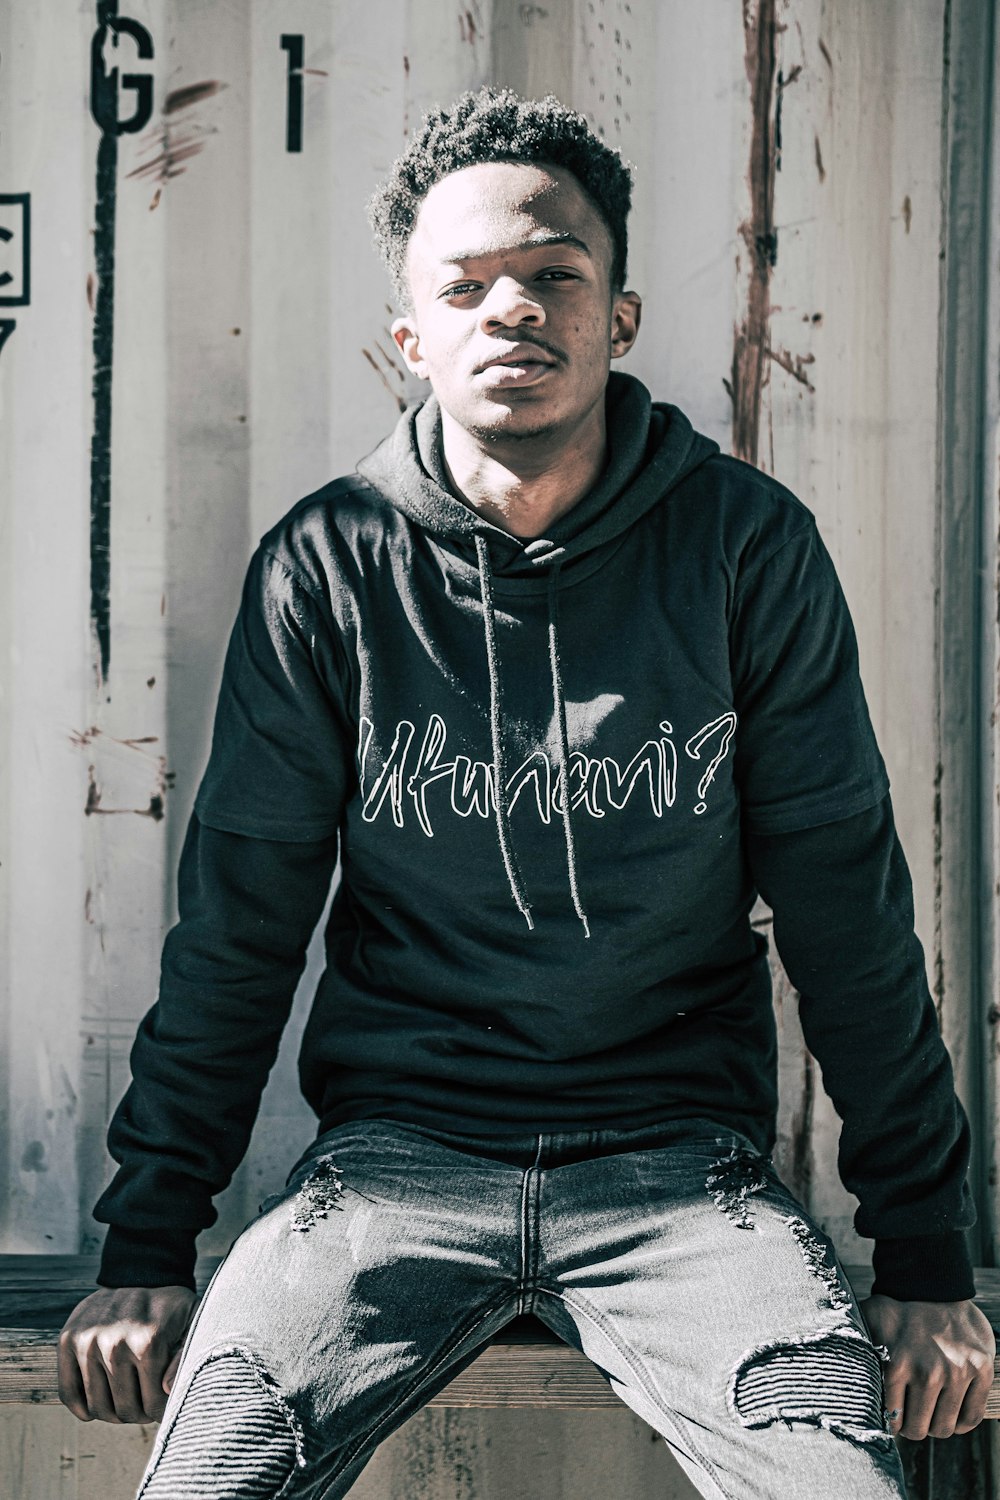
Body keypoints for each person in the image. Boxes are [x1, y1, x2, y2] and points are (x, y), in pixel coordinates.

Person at [59, 87, 994, 1499]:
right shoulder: (330, 566)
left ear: (616, 319)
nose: (514, 311)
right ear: (411, 336)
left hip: (683, 1180)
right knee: (209, 1479)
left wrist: (926, 1254)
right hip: (394, 1173)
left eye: (555, 274)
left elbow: (848, 913)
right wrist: (145, 1253)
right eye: (468, 287)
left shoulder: (745, 551)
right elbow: (239, 932)